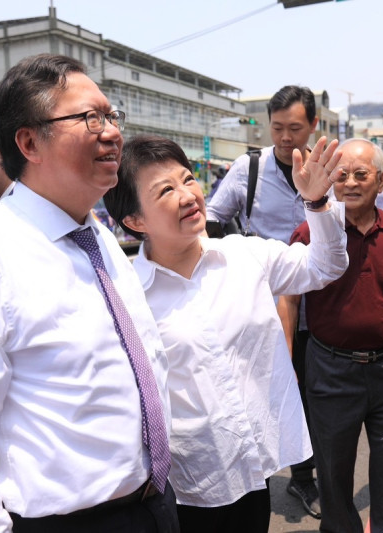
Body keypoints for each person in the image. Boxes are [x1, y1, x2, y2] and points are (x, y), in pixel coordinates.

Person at [0, 54, 178, 533]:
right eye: (89, 118)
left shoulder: (95, 233)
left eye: (111, 115)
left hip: (150, 504)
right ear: (28, 142)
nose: (111, 132)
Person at [103, 134, 348, 533]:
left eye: (187, 179)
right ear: (135, 221)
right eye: (166, 190)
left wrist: (318, 204)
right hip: (190, 481)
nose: (187, 195)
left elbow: (326, 266)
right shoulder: (128, 298)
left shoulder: (244, 254)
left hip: (255, 463)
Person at [283, 138, 383, 532]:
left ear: (381, 181)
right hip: (330, 369)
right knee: (332, 469)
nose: (349, 183)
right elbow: (289, 300)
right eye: (340, 175)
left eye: (361, 175)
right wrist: (287, 359)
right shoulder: (310, 232)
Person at [207, 84, 323, 517]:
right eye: (277, 128)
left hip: (320, 309)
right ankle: (271, 479)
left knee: (313, 398)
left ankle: (306, 476)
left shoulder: (326, 167)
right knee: (258, 393)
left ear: (313, 124)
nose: (286, 137)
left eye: (295, 127)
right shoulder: (247, 169)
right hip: (262, 311)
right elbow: (212, 221)